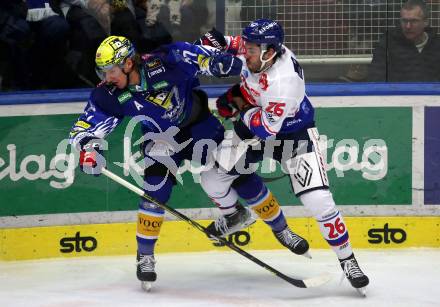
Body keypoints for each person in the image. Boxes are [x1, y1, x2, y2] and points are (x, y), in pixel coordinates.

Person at [196, 19, 370, 294]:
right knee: (211, 179)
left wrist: (242, 109)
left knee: (319, 201)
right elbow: (218, 41)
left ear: (269, 52)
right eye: (248, 46)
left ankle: (348, 260)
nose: (246, 52)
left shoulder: (283, 82)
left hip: (293, 135)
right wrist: (206, 55)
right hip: (257, 116)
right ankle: (235, 216)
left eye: (252, 50)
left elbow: (265, 129)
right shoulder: (256, 49)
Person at [68, 35, 242, 290]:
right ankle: (145, 256)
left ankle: (236, 214)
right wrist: (89, 148)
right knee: (155, 191)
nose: (107, 78)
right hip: (162, 138)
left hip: (197, 124)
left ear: (128, 64)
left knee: (232, 168)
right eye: (102, 72)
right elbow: (85, 127)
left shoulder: (166, 60)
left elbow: (201, 56)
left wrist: (221, 61)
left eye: (111, 71)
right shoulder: (109, 94)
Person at [369, 0, 440, 82]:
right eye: (404, 21)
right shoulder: (388, 44)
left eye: (414, 21)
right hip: (396, 93)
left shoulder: (437, 45)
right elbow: (375, 77)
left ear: (425, 22)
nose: (408, 26)